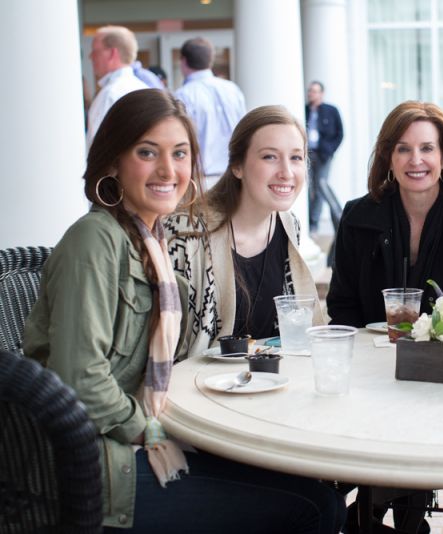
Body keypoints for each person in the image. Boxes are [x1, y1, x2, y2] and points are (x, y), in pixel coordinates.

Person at [23, 89, 344, 532]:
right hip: (94, 469)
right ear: (112, 161)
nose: (167, 170)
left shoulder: (145, 240)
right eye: (147, 152)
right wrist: (155, 430)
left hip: (133, 440)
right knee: (314, 505)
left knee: (307, 484)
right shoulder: (96, 240)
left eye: (179, 154)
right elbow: (81, 380)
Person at [166, 105, 325, 358]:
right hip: (199, 385)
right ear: (237, 167)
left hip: (270, 378)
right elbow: (164, 340)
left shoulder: (288, 223)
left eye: (296, 157)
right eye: (269, 157)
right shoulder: (186, 233)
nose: (286, 172)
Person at [327, 101, 443, 327]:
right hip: (371, 355)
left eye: (427, 148)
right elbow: (342, 306)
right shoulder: (356, 218)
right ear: (389, 158)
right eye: (403, 149)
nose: (415, 160)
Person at [175, 36, 246, 188]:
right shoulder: (232, 89)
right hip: (234, 176)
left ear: (183, 60)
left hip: (201, 180)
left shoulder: (183, 95)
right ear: (210, 60)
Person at [86, 25, 148, 147]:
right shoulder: (144, 89)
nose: (90, 57)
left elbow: (97, 147)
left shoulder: (109, 94)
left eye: (95, 51)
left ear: (112, 53)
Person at [305, 81, 344, 234]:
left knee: (321, 187)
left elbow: (340, 134)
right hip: (307, 154)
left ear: (321, 93)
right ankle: (307, 220)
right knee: (307, 188)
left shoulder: (331, 110)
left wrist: (330, 150)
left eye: (314, 91)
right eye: (310, 91)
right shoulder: (304, 110)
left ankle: (314, 223)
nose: (311, 94)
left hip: (323, 155)